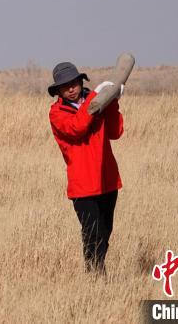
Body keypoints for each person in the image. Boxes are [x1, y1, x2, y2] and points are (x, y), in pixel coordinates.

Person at [47, 62, 124, 276]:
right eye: (65, 86)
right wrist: (96, 98)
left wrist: (112, 102)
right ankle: (94, 278)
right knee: (92, 234)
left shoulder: (98, 103)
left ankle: (98, 273)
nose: (71, 89)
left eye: (74, 83)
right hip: (83, 186)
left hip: (107, 179)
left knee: (105, 232)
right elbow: (77, 128)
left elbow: (116, 132)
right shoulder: (57, 113)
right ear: (58, 91)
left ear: (80, 82)